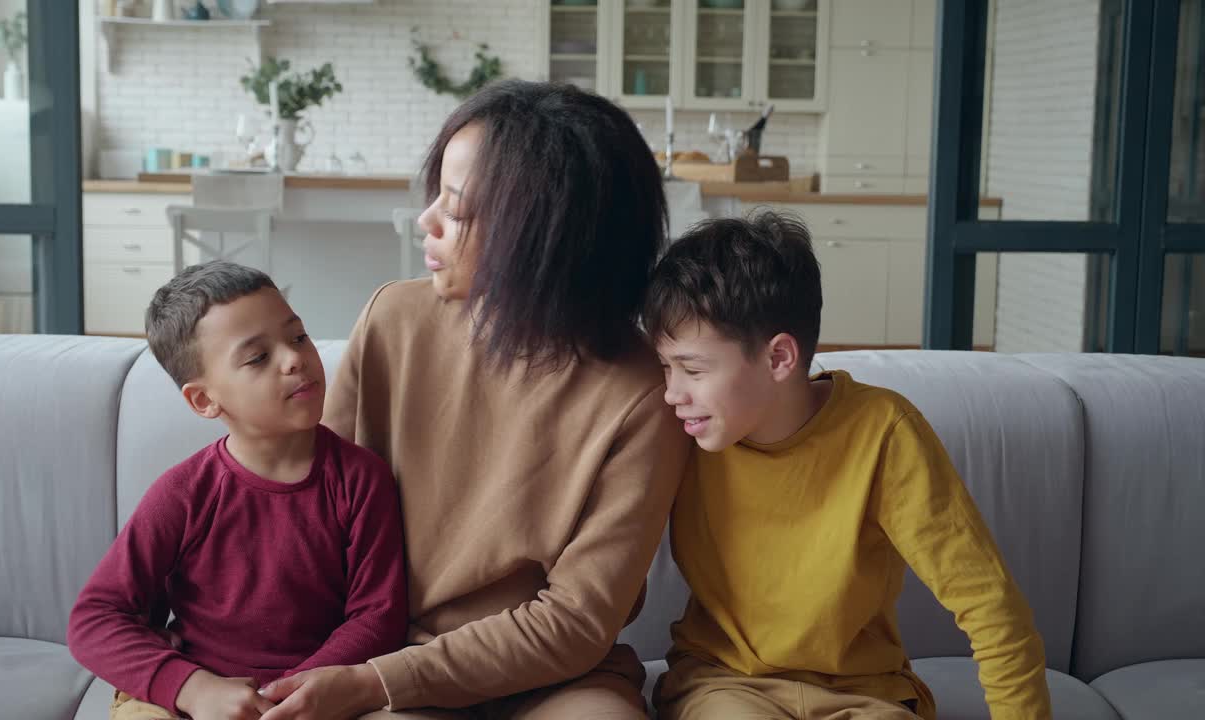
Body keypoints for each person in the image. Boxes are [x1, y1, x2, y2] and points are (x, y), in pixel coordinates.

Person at [256, 80, 691, 720]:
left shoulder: (642, 392)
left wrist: (373, 685)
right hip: (385, 655)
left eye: (455, 210)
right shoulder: (393, 319)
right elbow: (311, 518)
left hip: (556, 677)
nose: (425, 220)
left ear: (543, 236)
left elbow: (575, 622)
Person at [644, 212, 1051, 720]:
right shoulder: (674, 430)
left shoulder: (883, 432)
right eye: (665, 366)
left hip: (865, 694)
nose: (671, 392)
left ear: (779, 359)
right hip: (722, 686)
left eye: (693, 369)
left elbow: (991, 608)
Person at [68, 261, 408, 720]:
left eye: (298, 337)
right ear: (205, 400)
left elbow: (378, 618)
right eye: (257, 357)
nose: (293, 359)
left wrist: (289, 697)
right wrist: (192, 689)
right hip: (191, 695)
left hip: (316, 696)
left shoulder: (362, 480)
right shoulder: (183, 494)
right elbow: (94, 620)